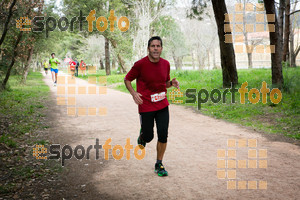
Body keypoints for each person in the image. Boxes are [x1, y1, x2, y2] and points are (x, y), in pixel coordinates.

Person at [124, 36, 179, 177]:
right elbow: (127, 79)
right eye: (153, 46)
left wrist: (171, 83)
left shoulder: (166, 64)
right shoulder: (140, 64)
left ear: (161, 48)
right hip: (146, 105)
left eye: (158, 46)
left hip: (162, 104)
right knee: (148, 137)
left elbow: (164, 83)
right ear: (148, 48)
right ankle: (143, 135)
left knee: (163, 134)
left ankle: (159, 163)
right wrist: (133, 93)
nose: (155, 48)